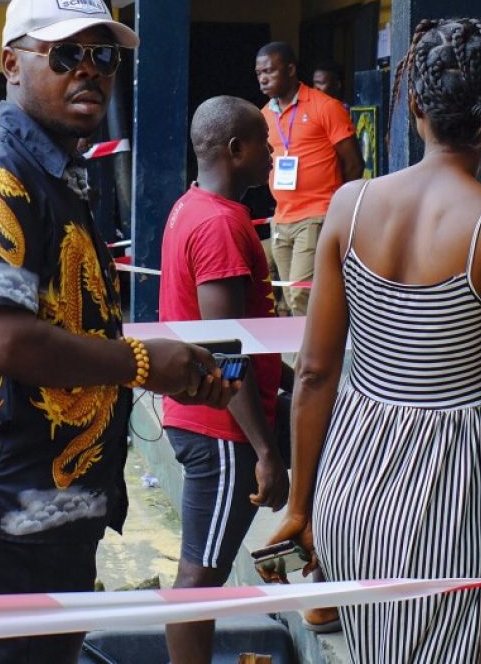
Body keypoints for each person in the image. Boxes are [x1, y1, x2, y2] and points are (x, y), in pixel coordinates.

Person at [0, 0, 238, 664]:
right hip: (8, 512)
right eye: (66, 55)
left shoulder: (52, 172)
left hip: (53, 508)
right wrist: (139, 363)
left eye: (104, 57)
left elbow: (67, 327)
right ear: (12, 63)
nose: (89, 73)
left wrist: (161, 365)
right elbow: (2, 337)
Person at [268, 18, 481, 664]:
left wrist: (299, 506)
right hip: (451, 493)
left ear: (413, 104)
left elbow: (312, 374)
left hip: (348, 484)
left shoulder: (349, 205)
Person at [159, 97, 286, 664]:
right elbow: (224, 350)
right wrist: (264, 450)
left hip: (210, 424)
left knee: (202, 571)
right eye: (264, 140)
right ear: (236, 150)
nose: (273, 151)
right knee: (200, 577)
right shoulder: (218, 224)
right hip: (220, 432)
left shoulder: (194, 206)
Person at [255, 42, 363, 317]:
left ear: (291, 70)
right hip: (282, 217)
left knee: (301, 292)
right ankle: (305, 354)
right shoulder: (264, 115)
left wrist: (338, 209)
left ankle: (314, 358)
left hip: (316, 215)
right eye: (259, 73)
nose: (263, 78)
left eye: (270, 71)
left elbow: (353, 163)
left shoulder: (326, 106)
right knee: (291, 298)